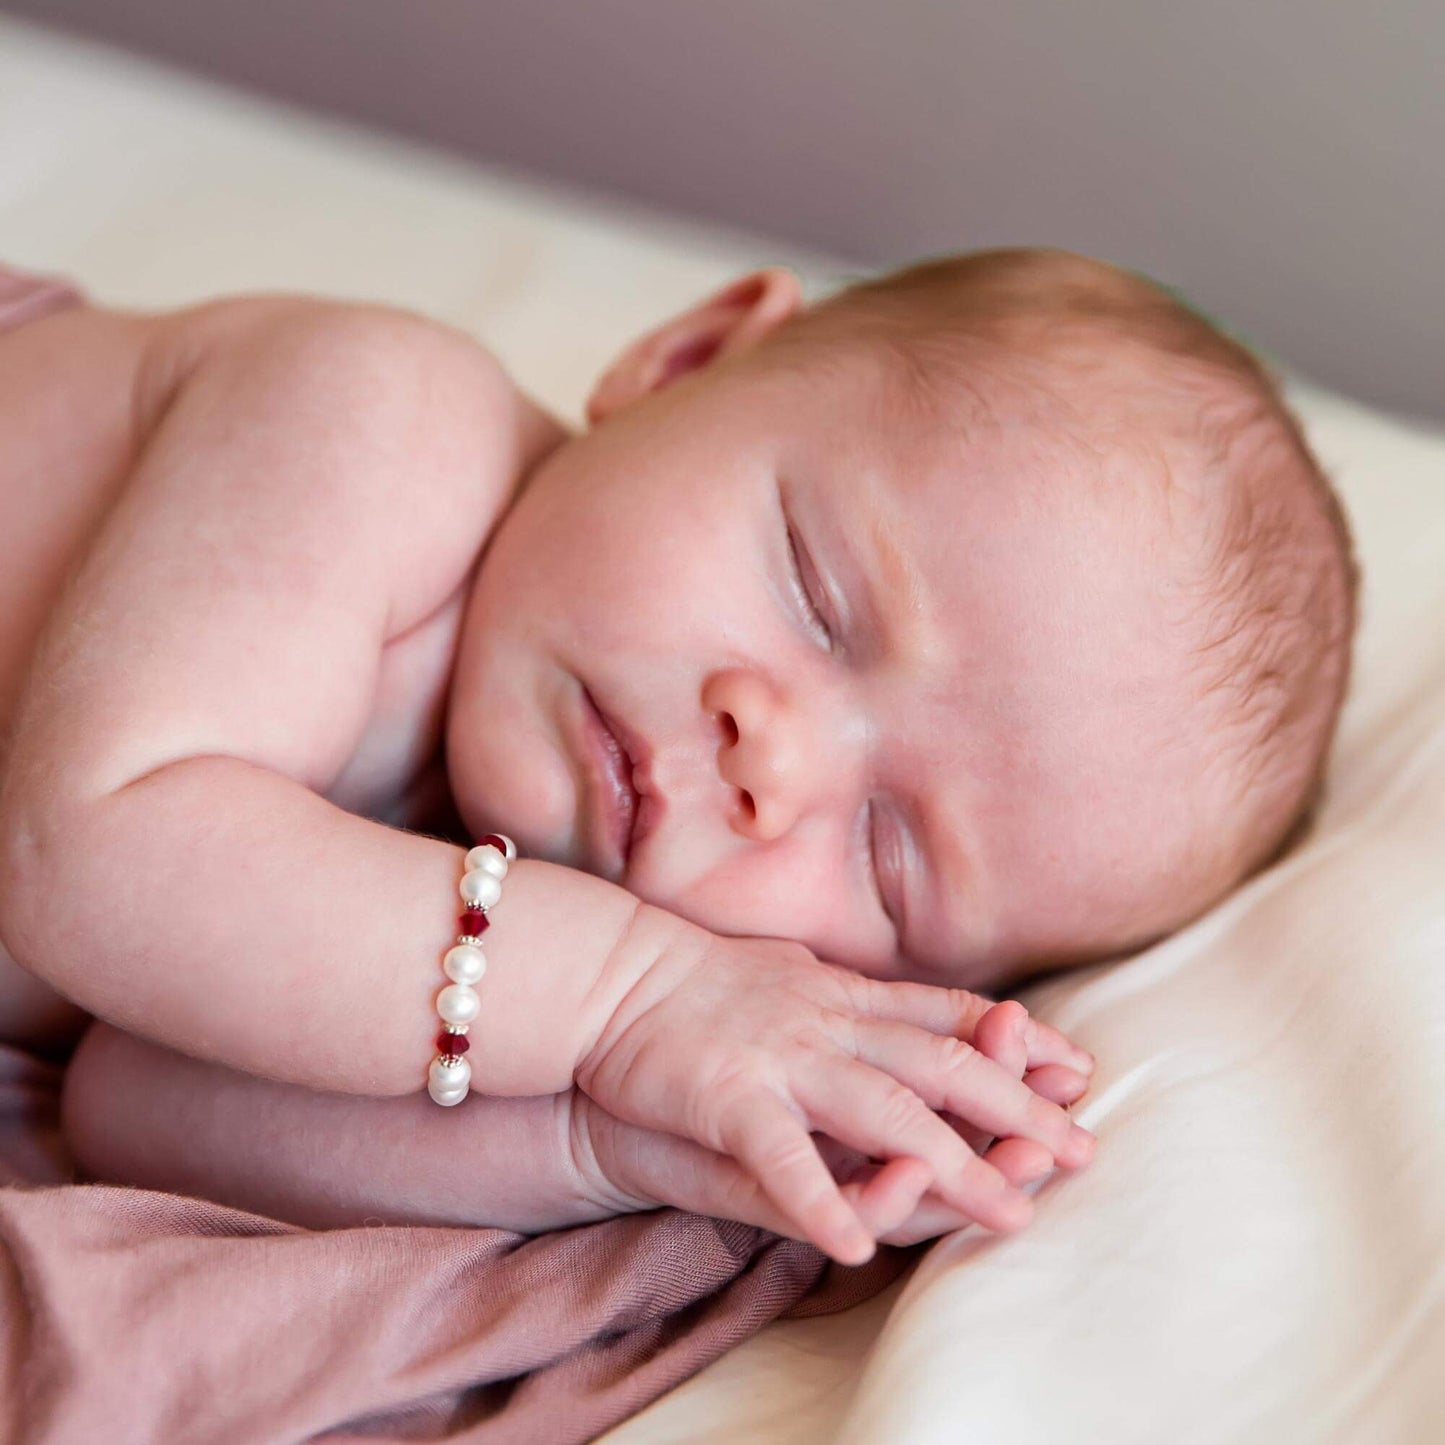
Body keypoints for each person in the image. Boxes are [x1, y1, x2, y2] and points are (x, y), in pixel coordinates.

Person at [0, 248, 1355, 1263]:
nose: (770, 759)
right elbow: (94, 854)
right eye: (819, 595)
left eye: (885, 858)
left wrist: (600, 1131)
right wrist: (627, 997)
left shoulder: (489, 902)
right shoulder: (386, 420)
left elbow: (134, 1096)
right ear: (690, 358)